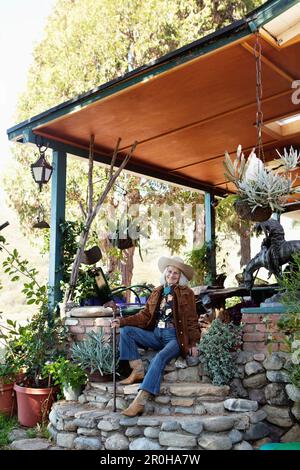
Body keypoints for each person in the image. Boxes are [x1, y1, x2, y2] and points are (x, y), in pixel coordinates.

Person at [111, 255, 200, 417]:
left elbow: (192, 319)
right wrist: (122, 321)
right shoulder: (157, 291)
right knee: (126, 331)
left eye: (176, 273)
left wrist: (193, 343)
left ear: (181, 276)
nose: (172, 275)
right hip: (156, 334)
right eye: (170, 271)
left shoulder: (187, 293)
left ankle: (140, 401)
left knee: (159, 358)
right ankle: (137, 370)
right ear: (165, 273)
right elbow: (144, 315)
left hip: (175, 338)